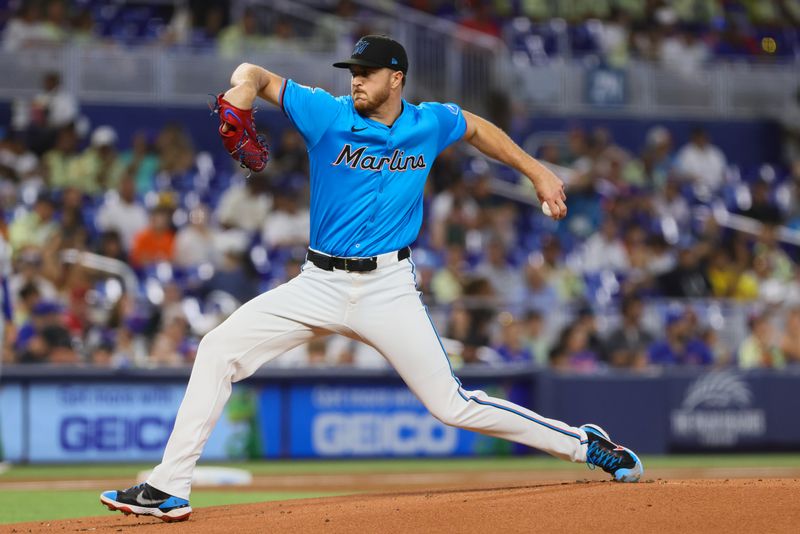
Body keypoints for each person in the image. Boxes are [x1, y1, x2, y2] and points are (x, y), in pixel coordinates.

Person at [101, 35, 642, 522]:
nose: (355, 79)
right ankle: (168, 487)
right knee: (218, 348)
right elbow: (256, 73)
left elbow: (477, 127)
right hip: (318, 283)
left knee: (451, 404)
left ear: (396, 78)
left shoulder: (428, 122)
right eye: (352, 71)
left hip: (388, 288)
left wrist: (538, 171)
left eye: (366, 71)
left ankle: (584, 444)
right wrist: (242, 89)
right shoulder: (326, 114)